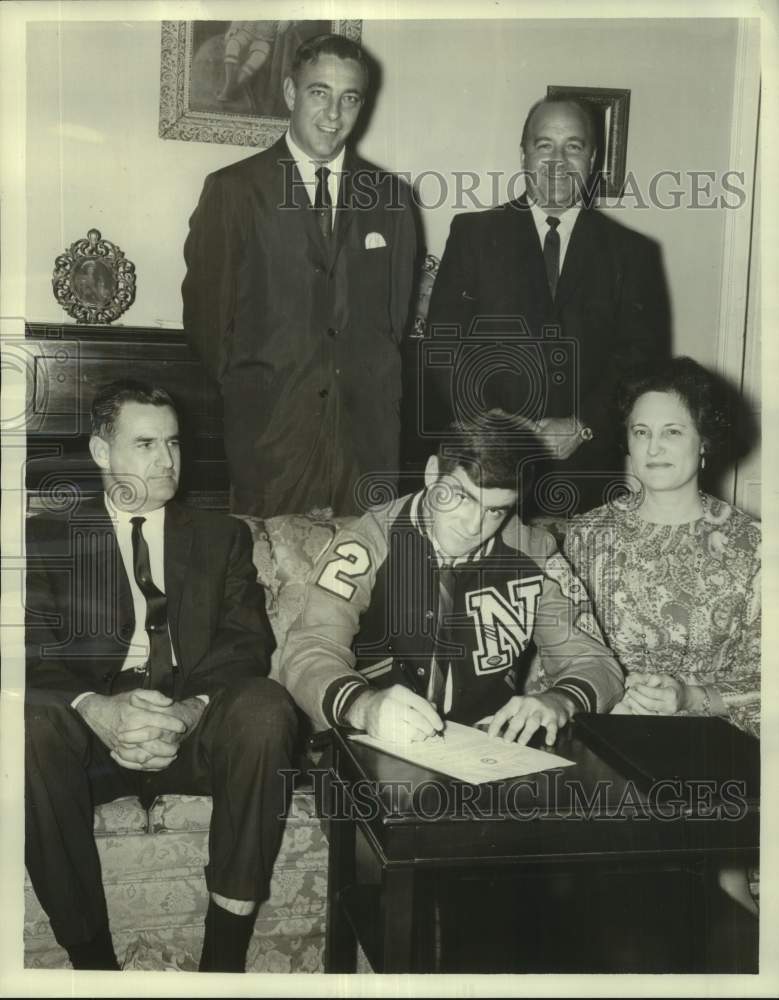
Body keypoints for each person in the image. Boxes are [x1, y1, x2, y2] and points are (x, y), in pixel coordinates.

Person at [24, 379, 298, 972]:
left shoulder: (222, 536)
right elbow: (30, 651)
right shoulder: (45, 537)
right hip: (91, 741)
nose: (167, 461)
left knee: (266, 706)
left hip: (192, 723)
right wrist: (97, 709)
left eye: (173, 444)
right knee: (29, 724)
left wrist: (189, 710)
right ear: (102, 453)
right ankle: (93, 967)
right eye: (145, 443)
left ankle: (222, 965)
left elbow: (247, 644)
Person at [280, 411, 623, 745]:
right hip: (374, 744)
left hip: (489, 753)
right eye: (461, 497)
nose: (473, 526)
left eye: (495, 510)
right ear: (432, 474)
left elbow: (596, 663)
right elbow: (309, 650)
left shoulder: (535, 554)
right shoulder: (369, 542)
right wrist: (363, 706)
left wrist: (560, 701)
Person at [183, 33, 418, 518]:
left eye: (349, 98)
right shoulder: (234, 191)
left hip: (366, 447)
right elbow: (208, 324)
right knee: (268, 582)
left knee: (360, 584)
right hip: (271, 441)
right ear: (290, 93)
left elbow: (394, 321)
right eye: (319, 93)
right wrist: (264, 397)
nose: (334, 114)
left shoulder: (391, 199)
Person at [564, 356, 760, 914]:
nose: (654, 447)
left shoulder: (751, 547)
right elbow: (554, 655)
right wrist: (605, 696)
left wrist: (691, 698)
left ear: (705, 443)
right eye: (641, 432)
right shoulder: (585, 537)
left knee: (706, 895)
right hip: (605, 739)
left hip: (714, 748)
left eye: (673, 432)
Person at [424, 96, 671, 515]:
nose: (558, 160)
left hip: (586, 473)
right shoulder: (473, 234)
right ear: (524, 154)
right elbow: (443, 346)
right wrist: (499, 426)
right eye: (545, 145)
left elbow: (641, 362)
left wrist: (584, 425)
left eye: (573, 146)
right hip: (485, 471)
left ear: (592, 158)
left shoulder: (633, 253)